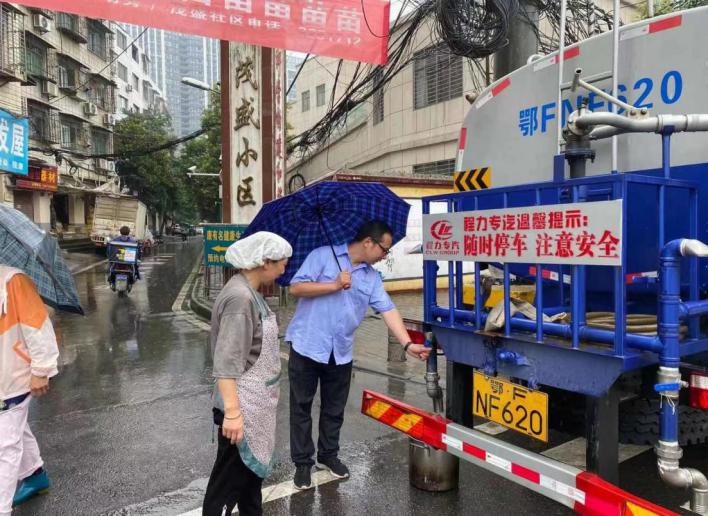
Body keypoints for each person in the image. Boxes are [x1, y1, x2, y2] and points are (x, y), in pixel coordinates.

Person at [285, 220, 431, 490]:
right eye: (384, 249)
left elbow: (388, 309)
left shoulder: (371, 277)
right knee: (301, 407)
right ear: (368, 243)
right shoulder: (321, 256)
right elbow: (296, 288)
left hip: (340, 351)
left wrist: (408, 344)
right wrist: (333, 285)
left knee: (334, 408)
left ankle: (328, 455)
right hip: (307, 344)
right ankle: (302, 463)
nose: (385, 256)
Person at [203, 231, 293, 516]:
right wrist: (233, 414)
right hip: (242, 410)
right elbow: (226, 363)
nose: (284, 270)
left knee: (249, 486)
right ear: (265, 262)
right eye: (282, 264)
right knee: (226, 488)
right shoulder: (241, 299)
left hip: (254, 407)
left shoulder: (250, 293)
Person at [0, 266, 59, 514]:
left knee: (4, 445)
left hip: (12, 377)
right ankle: (35, 475)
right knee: (13, 428)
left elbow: (38, 324)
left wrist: (41, 370)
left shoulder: (13, 280)